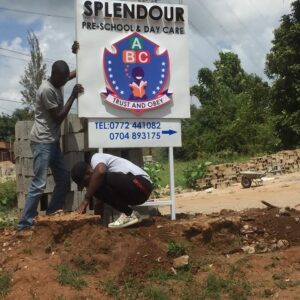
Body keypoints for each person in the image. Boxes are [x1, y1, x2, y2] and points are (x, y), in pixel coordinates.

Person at [17, 57, 84, 231]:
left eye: (65, 78)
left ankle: (52, 212)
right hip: (42, 142)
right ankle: (24, 224)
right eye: (62, 79)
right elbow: (59, 118)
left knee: (63, 179)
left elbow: (70, 75)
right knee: (39, 183)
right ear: (54, 75)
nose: (64, 81)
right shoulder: (46, 90)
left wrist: (83, 59)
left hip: (52, 142)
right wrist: (73, 96)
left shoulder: (58, 80)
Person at [71, 153, 153, 228]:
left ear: (89, 172)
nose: (87, 186)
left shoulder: (96, 158)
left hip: (141, 184)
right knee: (97, 187)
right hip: (138, 195)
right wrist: (97, 225)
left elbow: (100, 171)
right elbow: (99, 204)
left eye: (85, 183)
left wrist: (86, 199)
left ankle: (129, 214)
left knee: (98, 180)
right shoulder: (99, 185)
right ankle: (130, 214)